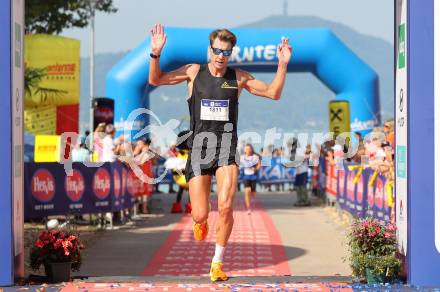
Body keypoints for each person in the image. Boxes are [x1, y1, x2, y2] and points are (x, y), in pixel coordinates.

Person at [148, 23, 292, 282]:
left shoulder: (238, 78)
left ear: (231, 53)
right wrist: (155, 54)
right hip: (198, 151)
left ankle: (217, 262)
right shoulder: (193, 72)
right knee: (201, 213)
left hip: (227, 149)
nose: (220, 56)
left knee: (226, 207)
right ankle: (200, 221)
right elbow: (155, 79)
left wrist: (282, 65)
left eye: (225, 52)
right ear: (209, 50)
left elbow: (274, 93)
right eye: (216, 50)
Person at [240, 144, 261, 214]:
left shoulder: (255, 157)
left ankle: (251, 198)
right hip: (246, 176)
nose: (247, 150)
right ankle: (248, 208)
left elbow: (259, 165)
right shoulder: (242, 157)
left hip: (253, 176)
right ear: (244, 150)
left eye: (249, 148)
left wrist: (255, 169)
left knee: (253, 193)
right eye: (246, 149)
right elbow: (238, 164)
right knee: (247, 191)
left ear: (251, 149)